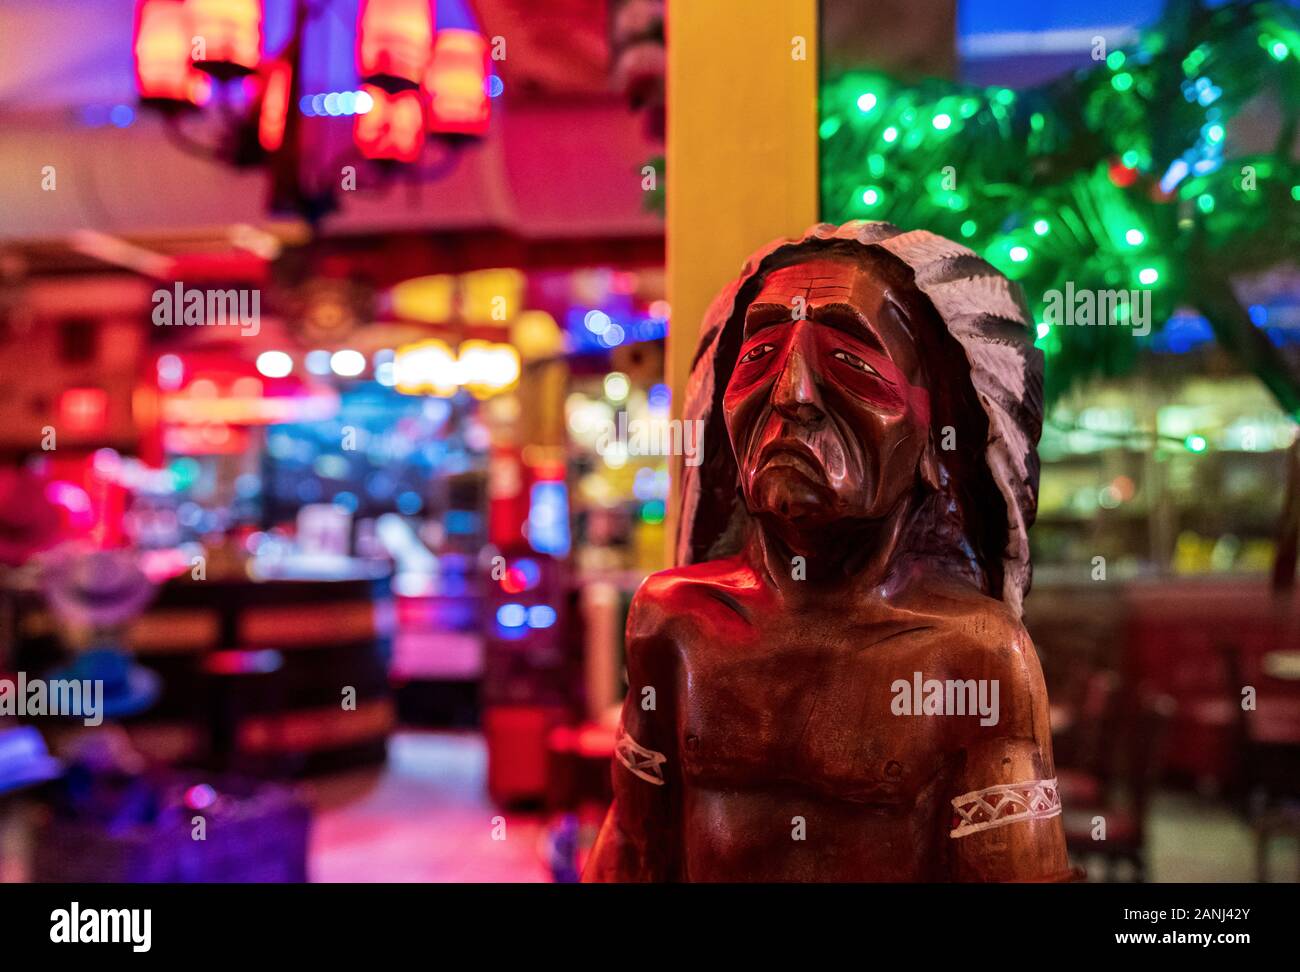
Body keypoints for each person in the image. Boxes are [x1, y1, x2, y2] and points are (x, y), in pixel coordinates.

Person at [584, 221, 1071, 881]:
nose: (792, 395)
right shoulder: (673, 622)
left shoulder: (974, 654)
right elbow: (635, 850)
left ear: (939, 439)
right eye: (757, 359)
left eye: (852, 363)